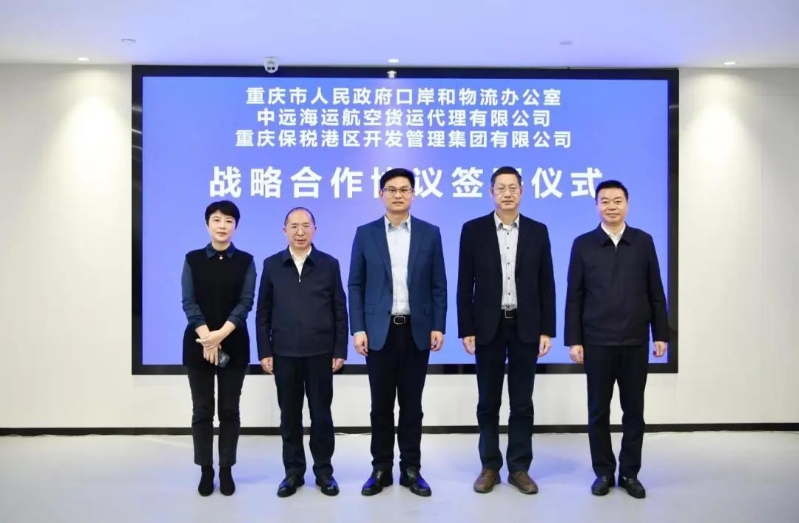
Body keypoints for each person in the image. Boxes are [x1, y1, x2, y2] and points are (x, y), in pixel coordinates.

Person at [564, 179, 669, 499]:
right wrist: (574, 340)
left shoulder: (643, 241)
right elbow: (574, 296)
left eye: (617, 200)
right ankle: (604, 472)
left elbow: (655, 291)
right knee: (598, 411)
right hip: (596, 341)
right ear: (596, 205)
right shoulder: (583, 244)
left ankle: (630, 473)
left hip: (635, 341)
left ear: (627, 204)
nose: (611, 206)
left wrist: (660, 333)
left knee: (634, 411)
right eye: (605, 201)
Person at [456, 166, 556, 495]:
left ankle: (519, 468)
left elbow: (546, 282)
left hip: (526, 325)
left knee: (522, 401)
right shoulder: (473, 230)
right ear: (491, 192)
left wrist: (547, 329)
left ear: (522, 191)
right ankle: (490, 466)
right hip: (488, 326)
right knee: (488, 401)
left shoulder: (538, 231)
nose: (507, 193)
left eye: (513, 187)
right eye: (501, 188)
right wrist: (466, 328)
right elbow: (464, 283)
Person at [348, 168, 447, 497]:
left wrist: (438, 324)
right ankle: (380, 468)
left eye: (405, 189)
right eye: (391, 189)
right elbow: (356, 284)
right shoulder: (366, 233)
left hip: (417, 330)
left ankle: (411, 468)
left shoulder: (430, 233)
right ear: (381, 195)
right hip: (379, 331)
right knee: (380, 405)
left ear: (413, 194)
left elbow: (438, 284)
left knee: (412, 405)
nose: (398, 195)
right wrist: (358, 328)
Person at [255, 207, 348, 498]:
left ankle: (324, 472)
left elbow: (339, 310)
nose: (300, 231)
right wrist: (265, 350)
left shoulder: (329, 264)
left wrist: (339, 349)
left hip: (321, 353)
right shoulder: (272, 265)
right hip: (284, 353)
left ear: (315, 229)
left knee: (321, 415)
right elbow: (263, 312)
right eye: (294, 226)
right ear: (284, 230)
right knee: (290, 416)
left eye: (306, 225)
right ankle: (293, 473)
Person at [181, 200, 256, 497]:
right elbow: (189, 302)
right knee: (202, 410)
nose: (222, 225)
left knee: (229, 410)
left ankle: (226, 469)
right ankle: (205, 469)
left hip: (233, 345)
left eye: (228, 221)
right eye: (216, 220)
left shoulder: (246, 261)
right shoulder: (192, 259)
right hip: (197, 345)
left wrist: (220, 335)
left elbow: (245, 303)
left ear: (235, 226)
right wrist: (206, 338)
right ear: (207, 224)